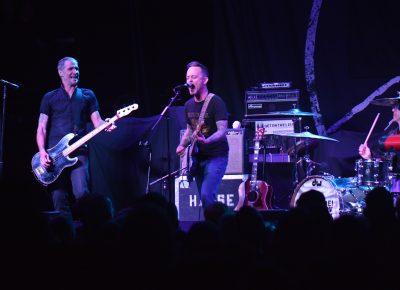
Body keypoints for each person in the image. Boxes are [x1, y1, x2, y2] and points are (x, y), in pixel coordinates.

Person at [36, 56, 115, 217]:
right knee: (58, 197)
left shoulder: (87, 95)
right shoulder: (49, 97)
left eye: (77, 68)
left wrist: (107, 124)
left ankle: (87, 234)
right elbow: (41, 128)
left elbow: (97, 121)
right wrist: (42, 152)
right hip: (54, 156)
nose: (75, 72)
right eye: (71, 68)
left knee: (82, 195)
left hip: (79, 152)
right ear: (61, 73)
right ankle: (64, 236)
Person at [176, 60, 229, 213]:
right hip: (197, 159)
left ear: (205, 80)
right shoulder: (188, 105)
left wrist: (207, 140)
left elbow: (222, 131)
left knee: (206, 195)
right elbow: (188, 130)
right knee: (204, 201)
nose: (189, 81)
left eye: (193, 77)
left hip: (216, 156)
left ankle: (222, 226)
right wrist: (182, 145)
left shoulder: (215, 102)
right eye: (187, 78)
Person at [358, 98, 400, 198]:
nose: (392, 110)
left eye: (395, 107)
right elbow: (384, 159)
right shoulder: (391, 135)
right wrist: (369, 155)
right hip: (395, 185)